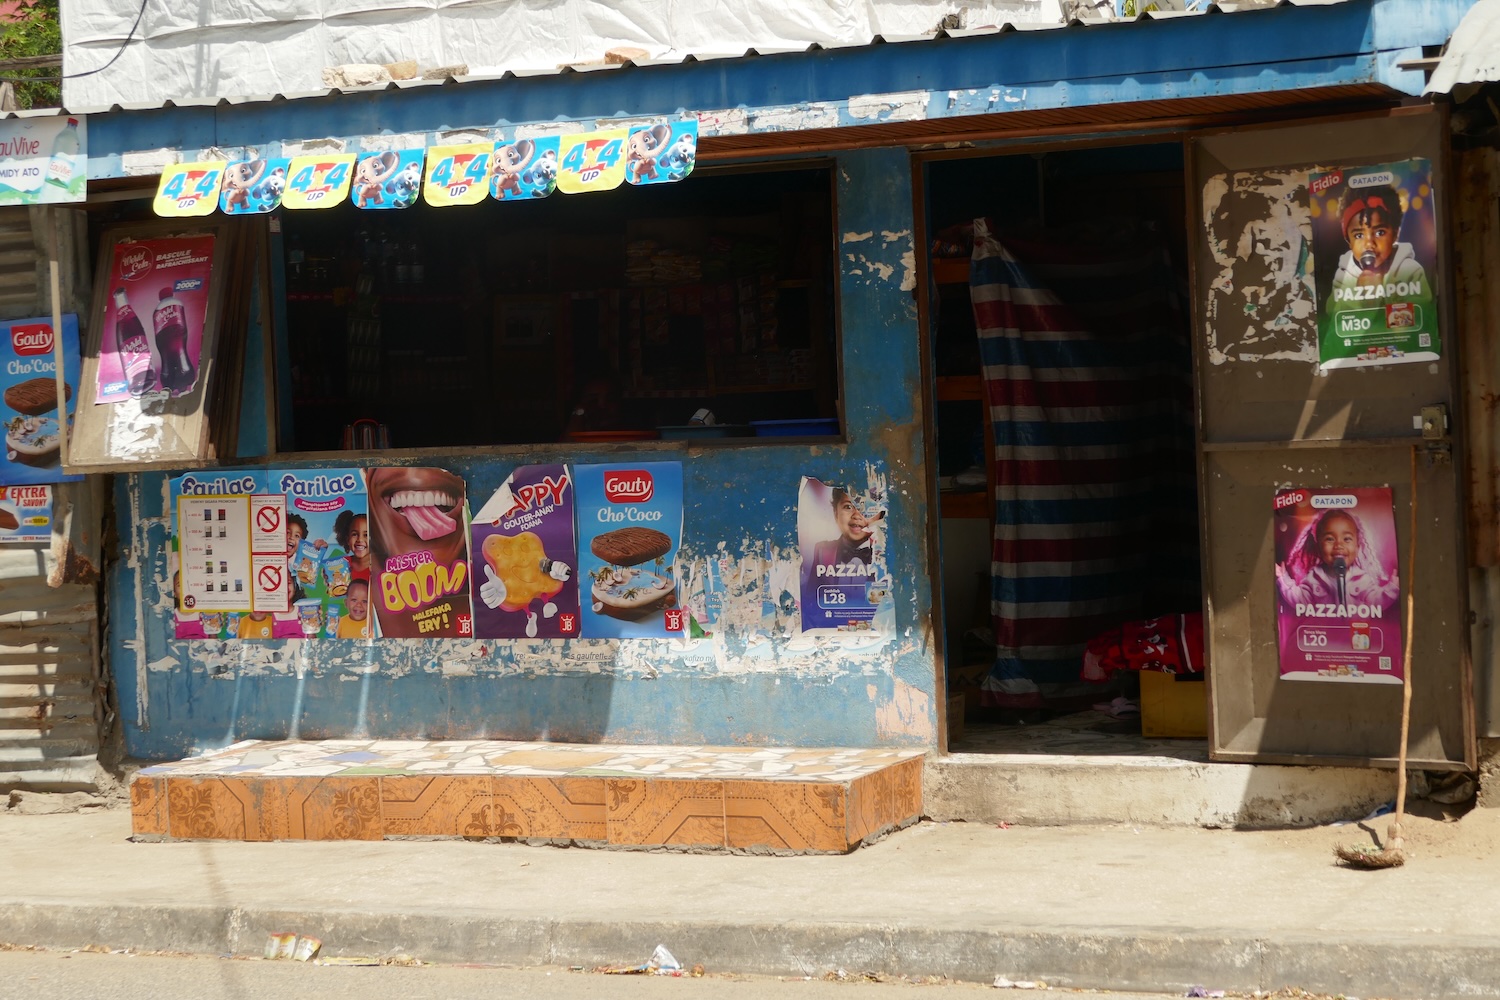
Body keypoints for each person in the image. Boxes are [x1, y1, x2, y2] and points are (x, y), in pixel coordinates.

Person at [1276, 508, 1399, 611]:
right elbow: (1300, 601)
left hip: (1355, 635)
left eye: (1347, 539)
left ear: (1358, 546)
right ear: (1318, 547)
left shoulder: (1361, 578)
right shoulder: (1314, 577)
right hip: (1324, 634)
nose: (1338, 545)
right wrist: (1283, 579)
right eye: (1330, 539)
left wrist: (1392, 588)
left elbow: (1376, 602)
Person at [1329, 184, 1429, 301]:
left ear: (1395, 234)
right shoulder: (1344, 276)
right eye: (1359, 235)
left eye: (1380, 233)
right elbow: (1333, 314)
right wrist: (1358, 296)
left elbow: (1424, 312)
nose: (1369, 244)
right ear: (1349, 241)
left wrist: (1383, 294)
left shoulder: (1410, 270)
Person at [806, 487, 875, 579]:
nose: (857, 516)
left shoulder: (884, 553)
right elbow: (812, 591)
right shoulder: (822, 552)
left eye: (866, 506)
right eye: (848, 507)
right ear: (836, 514)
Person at [334, 510, 371, 582]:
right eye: (354, 534)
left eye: (366, 535)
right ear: (347, 539)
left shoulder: (382, 566)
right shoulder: (339, 564)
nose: (360, 539)